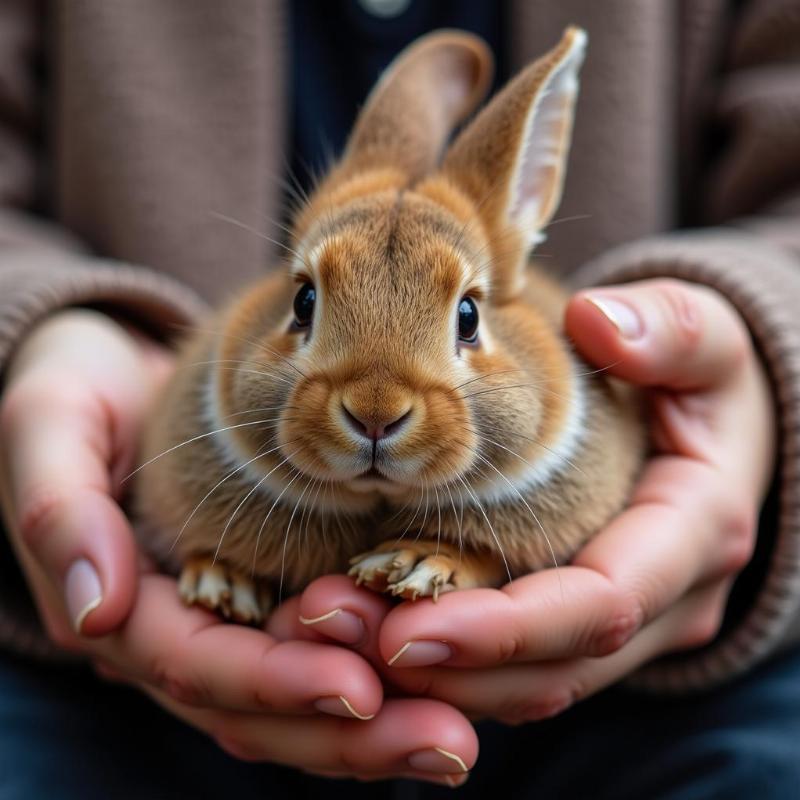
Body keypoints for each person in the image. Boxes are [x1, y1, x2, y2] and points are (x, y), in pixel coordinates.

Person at [0, 1, 798, 796]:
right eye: (308, 307)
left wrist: (762, 355)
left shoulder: (574, 392)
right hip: (118, 716)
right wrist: (42, 324)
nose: (376, 407)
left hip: (648, 705)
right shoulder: (209, 392)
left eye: (464, 319)